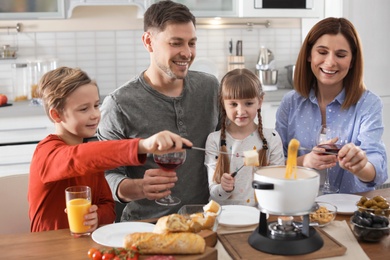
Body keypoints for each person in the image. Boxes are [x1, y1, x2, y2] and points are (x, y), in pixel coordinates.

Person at [28, 67, 192, 232]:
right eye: (84, 109)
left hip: (84, 248)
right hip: (47, 247)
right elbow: (76, 158)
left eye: (96, 105)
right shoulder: (47, 152)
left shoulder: (92, 158)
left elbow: (108, 208)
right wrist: (142, 146)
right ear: (56, 115)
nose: (94, 114)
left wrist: (97, 216)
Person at [97, 0, 219, 221]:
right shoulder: (119, 104)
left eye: (191, 43)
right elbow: (106, 174)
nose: (187, 53)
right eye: (176, 43)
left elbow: (226, 144)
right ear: (148, 41)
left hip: (203, 220)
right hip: (146, 224)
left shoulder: (210, 88)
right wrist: (138, 187)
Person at [275, 17, 388, 193]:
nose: (330, 62)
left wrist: (360, 166)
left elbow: (378, 171)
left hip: (349, 209)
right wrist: (304, 161)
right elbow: (274, 162)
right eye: (322, 52)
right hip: (298, 203)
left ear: (352, 61)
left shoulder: (368, 104)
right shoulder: (290, 103)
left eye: (341, 55)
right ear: (309, 55)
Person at [205, 68, 285, 206]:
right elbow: (214, 193)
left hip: (258, 217)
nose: (241, 111)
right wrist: (223, 188)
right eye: (233, 104)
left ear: (260, 102)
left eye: (248, 103)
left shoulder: (272, 138)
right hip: (224, 218)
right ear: (223, 103)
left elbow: (279, 186)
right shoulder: (214, 140)